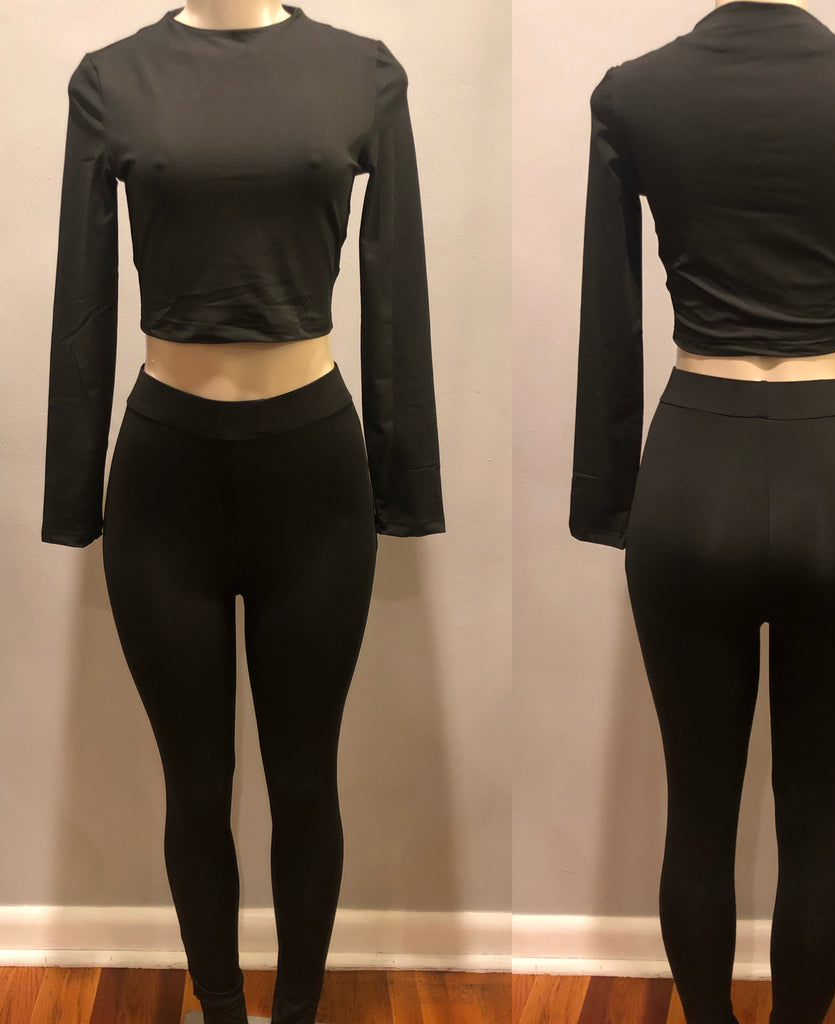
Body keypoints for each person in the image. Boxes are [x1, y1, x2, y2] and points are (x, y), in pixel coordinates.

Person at [42, 4, 444, 1022]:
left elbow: (395, 288)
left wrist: (405, 476)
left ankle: (297, 1008)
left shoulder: (362, 74)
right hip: (163, 484)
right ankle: (220, 1007)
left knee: (305, 780)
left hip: (312, 482)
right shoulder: (112, 80)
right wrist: (72, 488)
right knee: (195, 786)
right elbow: (83, 295)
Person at [570, 2, 835, 1023]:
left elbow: (609, 313)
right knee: (814, 822)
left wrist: (608, 492)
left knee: (697, 814)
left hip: (691, 477)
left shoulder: (633, 92)